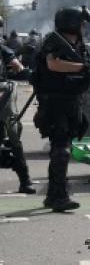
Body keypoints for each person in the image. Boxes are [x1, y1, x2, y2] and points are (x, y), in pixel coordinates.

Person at [32, 6, 90, 211]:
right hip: (55, 104)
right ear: (72, 23)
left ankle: (54, 195)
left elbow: (85, 67)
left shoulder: (78, 45)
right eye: (81, 23)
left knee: (61, 150)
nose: (84, 27)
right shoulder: (54, 41)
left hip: (72, 103)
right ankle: (59, 195)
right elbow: (54, 65)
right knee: (61, 151)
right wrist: (81, 68)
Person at [0, 44, 36, 194]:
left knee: (13, 132)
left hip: (2, 93)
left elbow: (18, 67)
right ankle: (25, 181)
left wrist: (24, 71)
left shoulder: (3, 50)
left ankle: (25, 180)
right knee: (13, 134)